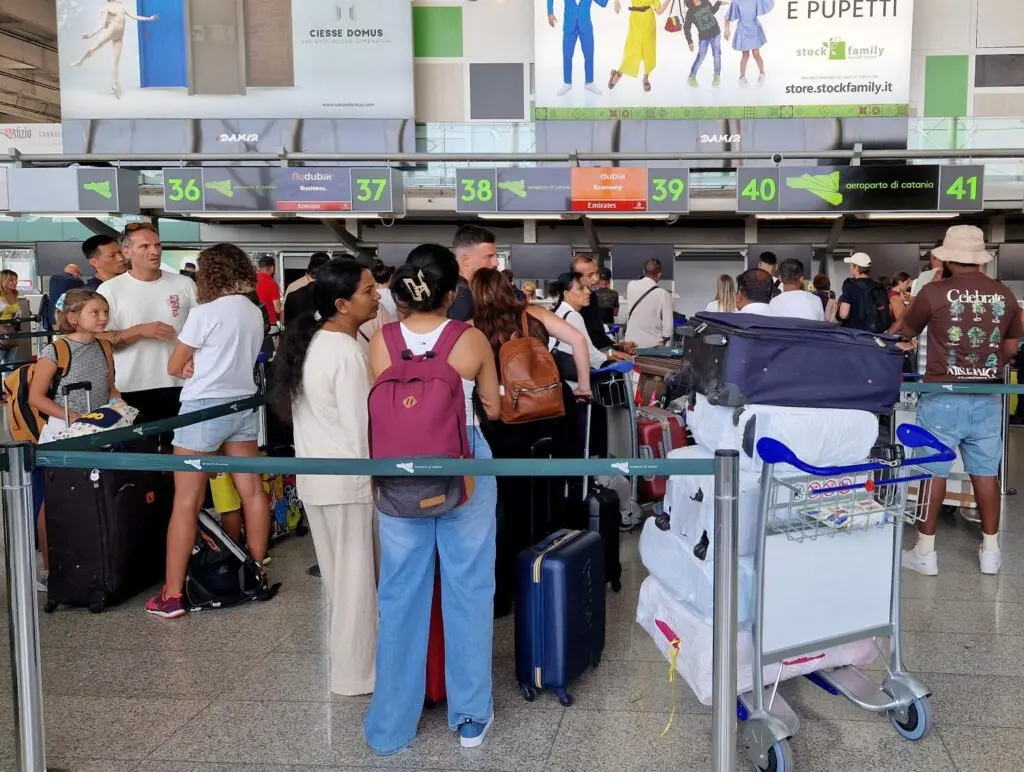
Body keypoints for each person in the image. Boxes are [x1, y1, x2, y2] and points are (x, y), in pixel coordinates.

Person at [363, 246, 500, 754]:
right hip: (463, 466)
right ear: (450, 294)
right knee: (468, 586)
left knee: (399, 592)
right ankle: (469, 718)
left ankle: (391, 726)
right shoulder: (471, 339)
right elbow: (495, 407)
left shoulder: (381, 341)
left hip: (396, 472)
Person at [273, 259, 381, 695]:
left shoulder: (316, 342)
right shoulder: (346, 353)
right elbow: (361, 430)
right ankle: (358, 676)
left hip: (319, 479)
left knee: (342, 583)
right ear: (342, 303)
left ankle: (350, 670)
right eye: (369, 291)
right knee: (358, 586)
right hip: (349, 483)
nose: (377, 297)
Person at [891, 225, 1023, 577]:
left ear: (947, 259)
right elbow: (1010, 347)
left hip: (941, 397)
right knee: (984, 472)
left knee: (933, 472)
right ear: (980, 260)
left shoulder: (933, 292)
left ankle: (925, 552)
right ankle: (991, 552)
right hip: (988, 397)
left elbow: (905, 333)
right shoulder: (1004, 294)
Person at [146, 244, 269, 619]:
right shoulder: (253, 311)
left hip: (202, 409)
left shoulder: (204, 313)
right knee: (252, 491)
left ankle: (171, 595)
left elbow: (174, 363)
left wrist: (189, 368)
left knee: (186, 501)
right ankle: (256, 571)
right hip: (243, 404)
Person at [471, 268, 593, 618]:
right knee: (549, 495)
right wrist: (583, 386)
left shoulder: (471, 328)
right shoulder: (534, 314)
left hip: (504, 425)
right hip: (551, 415)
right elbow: (578, 341)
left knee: (506, 506)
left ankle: (504, 591)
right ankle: (549, 574)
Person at [29, 289, 117, 591]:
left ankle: (93, 559)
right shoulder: (57, 350)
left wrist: (118, 408)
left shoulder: (104, 347)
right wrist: (73, 416)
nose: (103, 317)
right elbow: (36, 397)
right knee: (54, 500)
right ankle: (49, 568)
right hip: (61, 430)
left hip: (98, 429)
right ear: (73, 317)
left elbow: (110, 387)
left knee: (92, 494)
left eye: (105, 311)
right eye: (95, 312)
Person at [99, 223, 197, 430]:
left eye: (158, 245)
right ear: (127, 252)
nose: (154, 251)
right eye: (145, 247)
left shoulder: (184, 284)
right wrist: (139, 331)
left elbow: (202, 330)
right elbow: (100, 341)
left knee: (181, 451)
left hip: (181, 383)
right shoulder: (110, 290)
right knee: (142, 453)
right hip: (132, 385)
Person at [70, 0, 158, 99]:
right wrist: (90, 35)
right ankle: (81, 61)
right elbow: (102, 25)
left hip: (119, 36)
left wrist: (149, 18)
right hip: (111, 31)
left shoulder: (122, 7)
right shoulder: (108, 8)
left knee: (115, 61)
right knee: (95, 47)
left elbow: (134, 16)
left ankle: (115, 85)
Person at [571, 255, 636, 358]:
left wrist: (618, 347)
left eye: (596, 273)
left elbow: (598, 334)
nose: (596, 279)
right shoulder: (569, 307)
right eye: (590, 275)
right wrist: (611, 353)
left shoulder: (592, 297)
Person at [547, 0, 609, 96]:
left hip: (585, 25)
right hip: (569, 25)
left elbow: (603, 3)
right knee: (567, 55)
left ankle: (589, 82)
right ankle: (567, 83)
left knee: (589, 54)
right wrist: (550, 12)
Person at [608, 0, 667, 93]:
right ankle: (619, 72)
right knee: (632, 49)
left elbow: (659, 11)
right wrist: (616, 2)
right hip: (635, 20)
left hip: (649, 21)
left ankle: (646, 77)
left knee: (649, 50)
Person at [448, 225, 499, 322]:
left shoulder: (456, 290)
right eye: (489, 256)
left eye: (495, 256)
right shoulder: (464, 297)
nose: (496, 263)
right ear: (466, 260)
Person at [624, 258, 674, 347]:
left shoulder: (630, 285)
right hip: (653, 345)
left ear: (644, 272)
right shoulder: (663, 294)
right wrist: (665, 342)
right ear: (659, 275)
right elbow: (668, 326)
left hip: (630, 344)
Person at [838, 252, 892, 333]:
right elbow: (889, 310)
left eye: (851, 266)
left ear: (857, 268)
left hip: (855, 333)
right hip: (876, 333)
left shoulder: (849, 286)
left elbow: (843, 314)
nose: (849, 269)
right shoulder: (878, 286)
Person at [724, 0, 773, 86]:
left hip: (754, 28)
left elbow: (768, 3)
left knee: (756, 54)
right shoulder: (736, 2)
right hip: (743, 29)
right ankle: (742, 78)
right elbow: (727, 17)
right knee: (745, 55)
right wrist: (727, 30)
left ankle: (762, 73)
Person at [684, 0, 724, 87]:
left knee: (717, 54)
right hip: (704, 38)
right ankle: (692, 76)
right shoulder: (690, 11)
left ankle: (717, 75)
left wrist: (718, 3)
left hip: (715, 33)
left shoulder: (706, 2)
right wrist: (690, 41)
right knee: (701, 57)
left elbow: (712, 11)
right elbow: (686, 27)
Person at [255, 256, 282, 327]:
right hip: (269, 324)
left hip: (254, 323)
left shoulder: (251, 281)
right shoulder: (272, 284)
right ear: (272, 268)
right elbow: (278, 309)